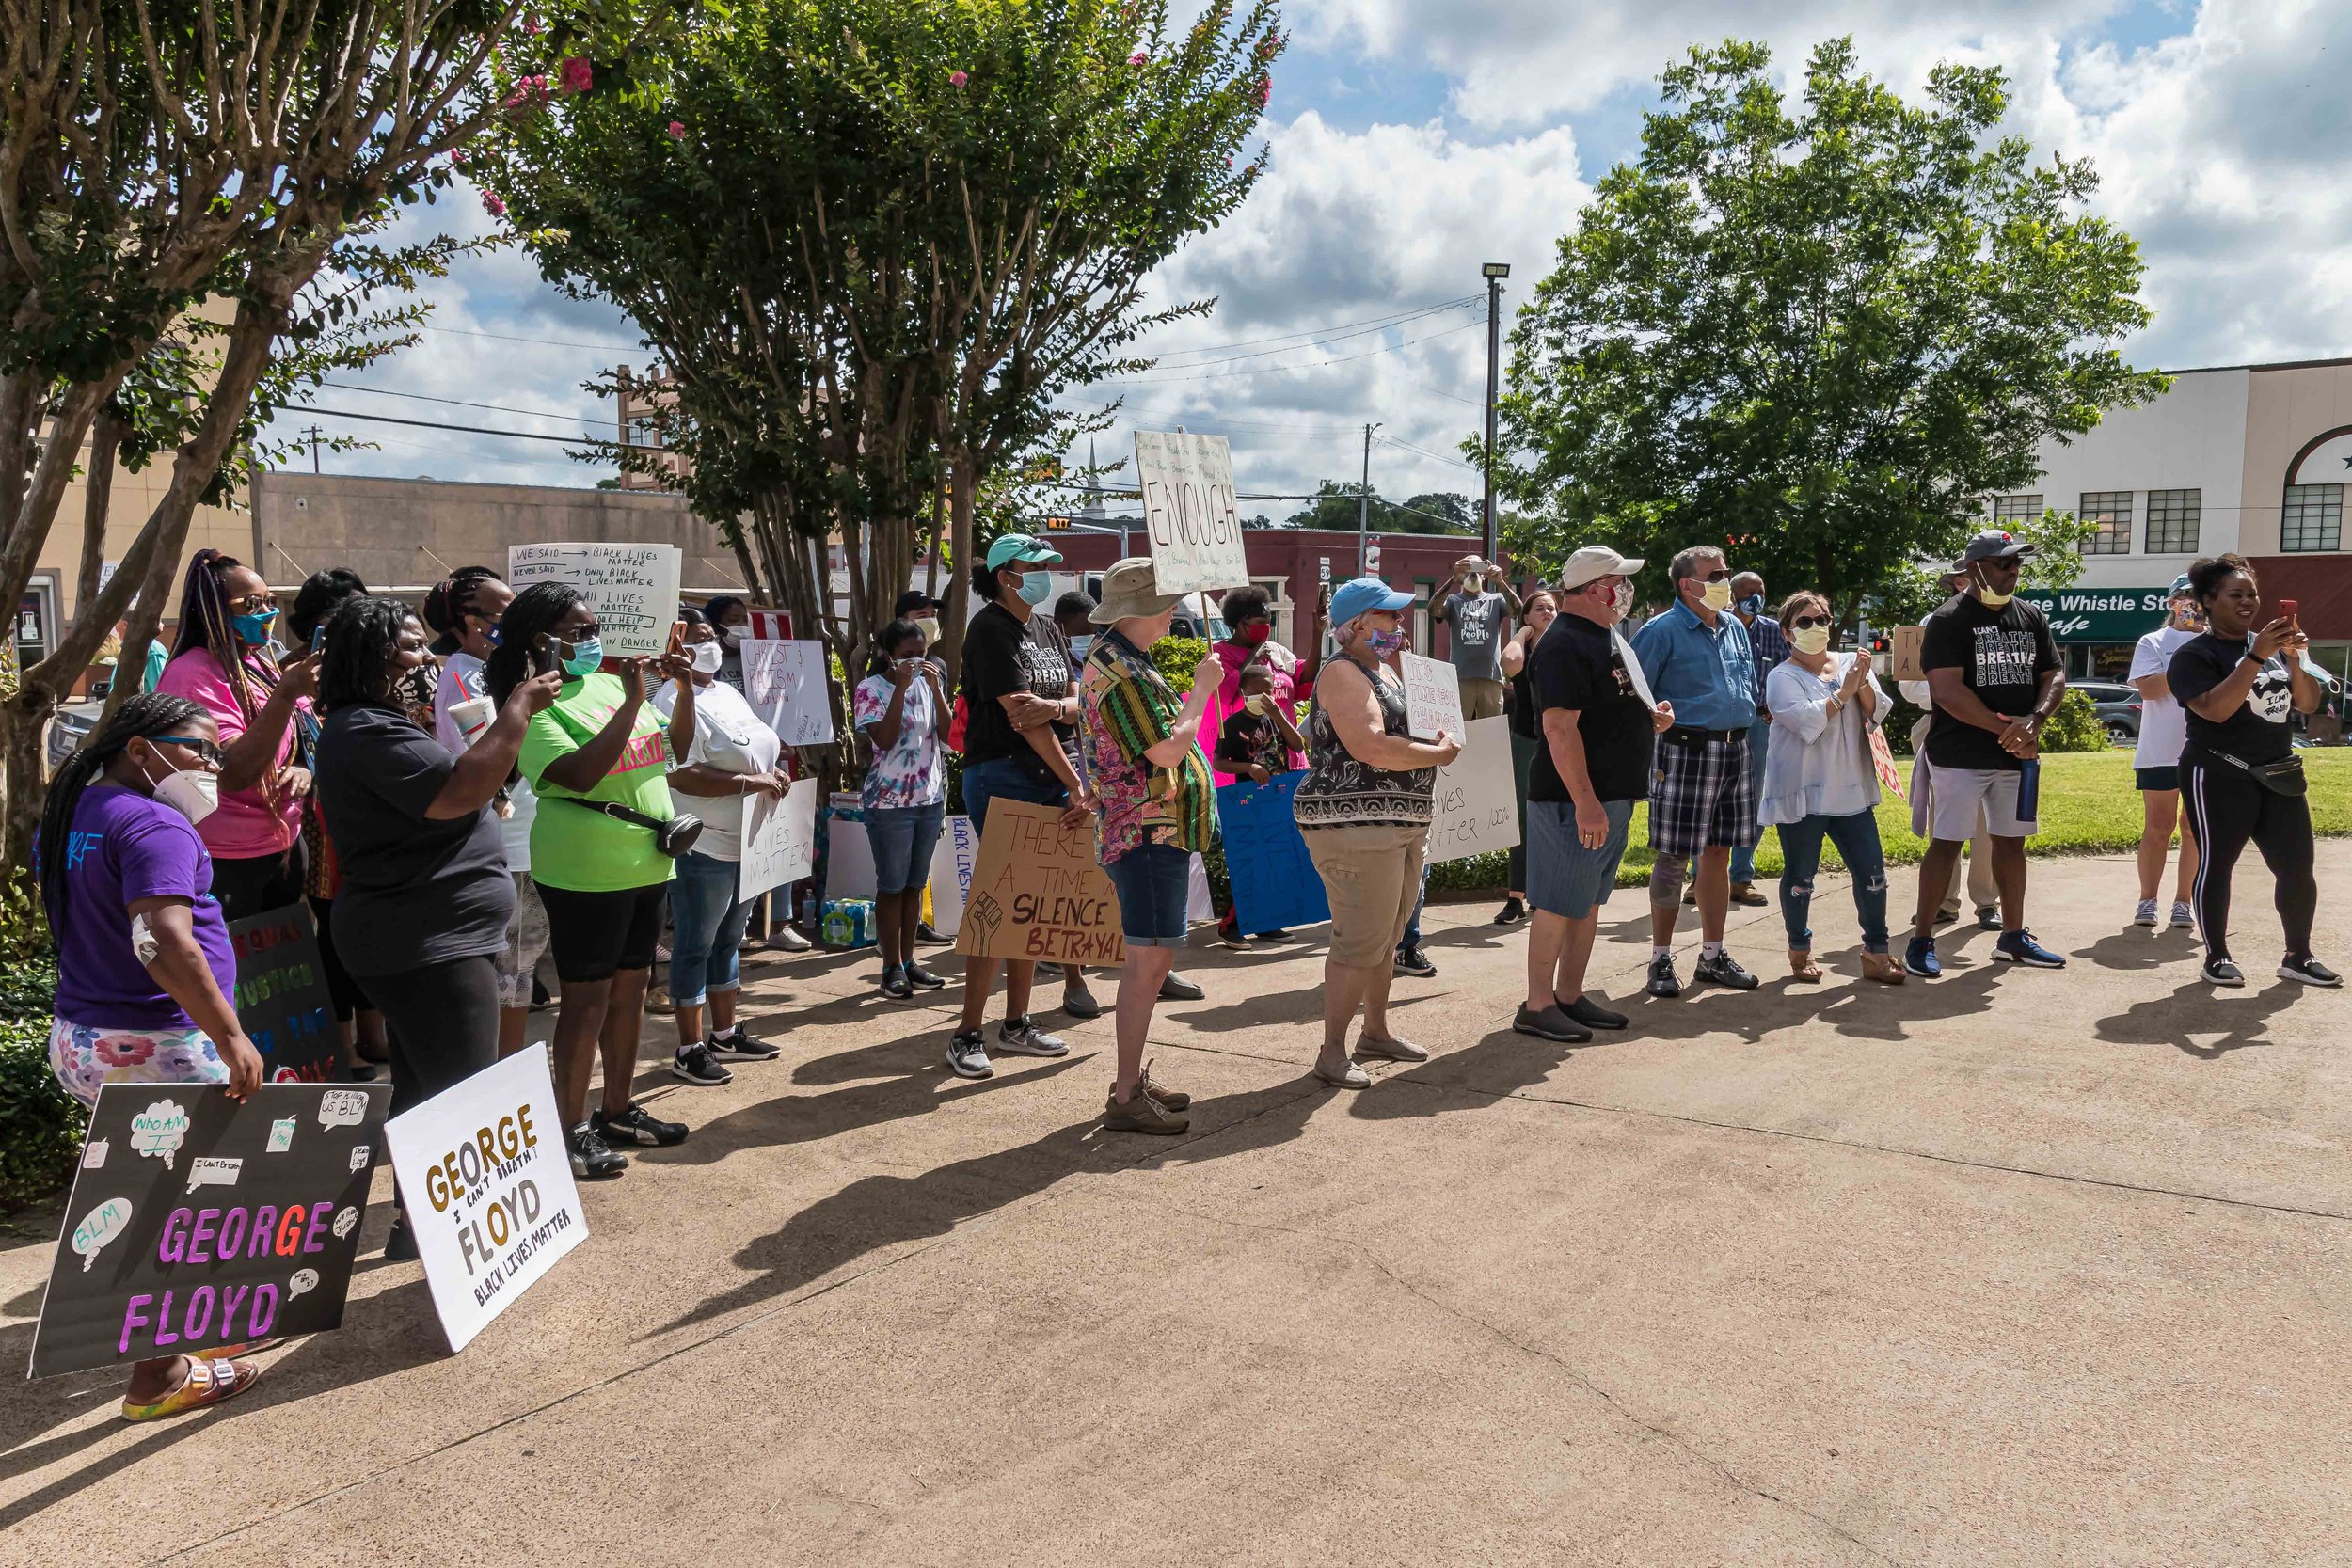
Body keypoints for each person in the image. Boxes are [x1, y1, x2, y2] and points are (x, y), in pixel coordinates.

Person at [38, 693, 266, 1419]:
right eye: (202, 748)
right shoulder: (155, 823)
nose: (214, 765)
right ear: (142, 749)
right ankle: (158, 1373)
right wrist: (229, 1034)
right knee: (181, 1205)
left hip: (86, 1035)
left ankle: (184, 1328)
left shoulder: (83, 807)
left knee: (143, 1191)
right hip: (154, 1049)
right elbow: (164, 941)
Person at [313, 599, 563, 1254]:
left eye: (423, 646)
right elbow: (457, 790)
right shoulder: (366, 729)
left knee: (427, 1086)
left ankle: (413, 1224)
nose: (422, 658)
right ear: (367, 656)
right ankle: (452, 1241)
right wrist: (518, 709)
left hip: (424, 935)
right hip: (427, 942)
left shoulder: (372, 723)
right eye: (407, 647)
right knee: (465, 1097)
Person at [488, 583, 699, 1179]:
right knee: (586, 999)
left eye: (593, 628)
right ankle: (569, 1126)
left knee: (632, 988)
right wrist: (634, 703)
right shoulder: (532, 702)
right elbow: (579, 774)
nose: (594, 641)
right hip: (584, 867)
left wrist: (680, 688)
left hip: (649, 859)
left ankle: (618, 1110)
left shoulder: (610, 683)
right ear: (542, 640)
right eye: (580, 633)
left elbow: (672, 750)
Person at [1294, 577, 1460, 1087]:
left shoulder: (1381, 672)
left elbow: (1316, 735)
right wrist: (1437, 754)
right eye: (1388, 615)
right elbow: (1370, 745)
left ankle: (1376, 1032)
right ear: (1359, 624)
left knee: (1385, 938)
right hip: (1357, 826)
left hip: (1396, 822)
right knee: (1360, 941)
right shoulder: (1343, 672)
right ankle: (1332, 1051)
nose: (1399, 623)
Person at [1079, 559, 1223, 1132]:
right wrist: (1200, 693)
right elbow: (1164, 750)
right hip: (1145, 830)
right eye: (1166, 606)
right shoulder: (1125, 671)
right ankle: (1124, 1094)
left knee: (1151, 960)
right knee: (1147, 963)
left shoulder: (1120, 660)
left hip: (1146, 828)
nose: (1173, 615)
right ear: (1140, 610)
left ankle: (1130, 1080)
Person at [947, 533, 1091, 1080]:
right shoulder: (989, 630)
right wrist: (1075, 778)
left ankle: (1017, 1022)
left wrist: (1056, 706)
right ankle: (967, 1032)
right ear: (1007, 575)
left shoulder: (1047, 626)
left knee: (1036, 904)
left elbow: (1078, 703)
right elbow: (1021, 721)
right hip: (1007, 775)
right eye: (1037, 566)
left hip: (1055, 777)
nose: (1047, 575)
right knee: (1000, 903)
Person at [1514, 550, 1666, 1042]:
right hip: (1572, 802)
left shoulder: (1605, 637)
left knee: (1585, 903)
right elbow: (1558, 729)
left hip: (1607, 798)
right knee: (1558, 904)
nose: (1626, 590)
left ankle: (1570, 995)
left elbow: (1610, 705)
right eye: (1620, 581)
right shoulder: (1564, 644)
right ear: (1597, 588)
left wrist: (1648, 717)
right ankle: (1538, 1005)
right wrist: (1585, 801)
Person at [1903, 530, 2068, 977]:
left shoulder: (2031, 616)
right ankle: (1921, 940)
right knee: (1948, 842)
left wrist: (2033, 723)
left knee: (2011, 845)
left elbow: (2053, 676)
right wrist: (2007, 730)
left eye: (2016, 563)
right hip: (1959, 754)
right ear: (1975, 568)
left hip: (2017, 755)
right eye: (2003, 563)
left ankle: (2013, 937)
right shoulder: (1948, 619)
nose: (2013, 570)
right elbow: (1946, 690)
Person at [2169, 555, 2336, 988]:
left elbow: (2308, 704)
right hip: (2218, 773)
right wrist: (2257, 655)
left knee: (2298, 868)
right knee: (2218, 864)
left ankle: (2298, 955)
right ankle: (2217, 956)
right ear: (2208, 601)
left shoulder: (2272, 652)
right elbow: (2216, 710)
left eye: (2252, 594)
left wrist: (2295, 658)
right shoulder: (2194, 655)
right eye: (2236, 595)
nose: (2248, 602)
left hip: (2278, 773)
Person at [423, 567, 552, 1057]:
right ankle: (504, 1074)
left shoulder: (501, 668)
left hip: (527, 836)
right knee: (511, 968)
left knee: (522, 962)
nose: (511, 621)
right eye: (501, 613)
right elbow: (482, 756)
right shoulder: (463, 672)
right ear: (468, 620)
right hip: (508, 840)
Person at [656, 609, 790, 1062]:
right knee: (696, 943)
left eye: (710, 635)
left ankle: (725, 1033)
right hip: (705, 843)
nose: (709, 644)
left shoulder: (729, 693)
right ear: (675, 648)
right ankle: (690, 1047)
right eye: (696, 638)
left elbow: (754, 749)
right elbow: (679, 776)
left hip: (748, 840)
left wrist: (772, 774)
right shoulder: (667, 701)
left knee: (730, 940)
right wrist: (752, 783)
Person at [154, 550, 319, 921]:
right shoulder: (192, 675)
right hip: (228, 857)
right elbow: (232, 771)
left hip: (283, 843)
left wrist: (304, 771)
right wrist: (286, 694)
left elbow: (301, 737)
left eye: (269, 602)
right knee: (235, 973)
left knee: (281, 975)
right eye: (251, 604)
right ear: (213, 611)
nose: (266, 613)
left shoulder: (259, 663)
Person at [1629, 546, 1761, 996]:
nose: (1726, 580)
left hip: (1734, 752)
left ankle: (1712, 954)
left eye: (1725, 572)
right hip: (1683, 752)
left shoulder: (1734, 629)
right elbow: (1634, 699)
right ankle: (1660, 959)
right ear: (1687, 584)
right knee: (1672, 857)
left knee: (1718, 854)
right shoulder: (1660, 631)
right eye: (1716, 574)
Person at [1758, 593, 1903, 984]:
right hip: (1803, 791)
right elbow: (1805, 722)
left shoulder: (1850, 664)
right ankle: (1799, 950)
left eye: (1821, 619)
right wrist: (1844, 691)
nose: (1815, 627)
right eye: (1804, 622)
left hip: (1851, 788)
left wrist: (1861, 683)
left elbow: (1877, 712)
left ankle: (1876, 952)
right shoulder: (1782, 676)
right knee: (1801, 877)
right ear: (1788, 633)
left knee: (1874, 876)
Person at [281, 571, 387, 1081]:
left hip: (363, 817)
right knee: (335, 935)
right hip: (319, 829)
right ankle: (340, 1047)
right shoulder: (292, 675)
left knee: (368, 928)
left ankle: (373, 1034)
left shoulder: (364, 668)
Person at [1899, 566, 2001, 929]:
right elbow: (1911, 688)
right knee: (1943, 819)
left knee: (1988, 818)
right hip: (1939, 725)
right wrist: (1957, 694)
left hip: (1990, 727)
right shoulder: (1932, 624)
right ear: (1958, 583)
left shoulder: (2004, 622)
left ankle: (1987, 902)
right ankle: (1943, 900)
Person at [855, 618, 951, 999]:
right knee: (891, 886)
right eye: (907, 656)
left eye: (922, 655)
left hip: (928, 798)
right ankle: (890, 966)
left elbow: (949, 735)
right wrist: (900, 689)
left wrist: (936, 690)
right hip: (889, 802)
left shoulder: (930, 685)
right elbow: (885, 737)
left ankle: (910, 961)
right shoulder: (870, 689)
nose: (915, 662)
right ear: (888, 655)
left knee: (915, 885)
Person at [1210, 657, 1309, 947]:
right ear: (1243, 693)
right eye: (1257, 691)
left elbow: (1298, 745)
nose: (1263, 697)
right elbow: (1219, 762)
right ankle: (1232, 926)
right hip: (1249, 800)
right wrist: (1249, 768)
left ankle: (1269, 923)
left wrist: (1279, 715)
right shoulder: (1232, 724)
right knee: (1252, 863)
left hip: (1277, 798)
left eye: (1268, 690)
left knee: (1277, 862)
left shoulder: (1274, 719)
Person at [2126, 578, 2202, 930]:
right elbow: (2149, 688)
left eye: (2198, 598)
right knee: (2159, 827)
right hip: (2160, 751)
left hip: (2206, 749)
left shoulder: (2219, 642)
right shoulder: (2153, 642)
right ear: (2171, 603)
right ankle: (2147, 899)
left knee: (2194, 829)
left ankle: (2184, 902)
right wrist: (2190, 661)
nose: (2191, 605)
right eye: (2184, 598)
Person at [1206, 582, 1327, 783]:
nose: (1266, 628)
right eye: (1260, 622)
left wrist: (1318, 633)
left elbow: (1305, 680)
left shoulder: (1276, 651)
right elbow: (1226, 693)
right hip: (1248, 773)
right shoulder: (1220, 654)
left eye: (1269, 622)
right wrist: (1252, 658)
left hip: (1289, 764)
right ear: (1241, 622)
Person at [1495, 586, 1559, 926]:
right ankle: (1515, 898)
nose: (1548, 613)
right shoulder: (1523, 648)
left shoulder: (1564, 648)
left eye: (1552, 609)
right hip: (1526, 739)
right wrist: (1522, 632)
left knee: (1551, 818)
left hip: (1560, 742)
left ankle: (1542, 895)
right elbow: (1510, 663)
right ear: (1527, 616)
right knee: (1521, 817)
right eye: (1540, 609)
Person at [1723, 571, 1782, 907]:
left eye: (1760, 591)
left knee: (1754, 800)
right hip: (1722, 724)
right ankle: (1700, 878)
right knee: (1712, 798)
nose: (1755, 598)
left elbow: (1790, 669)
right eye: (1748, 592)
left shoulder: (1774, 632)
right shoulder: (1718, 628)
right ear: (1732, 595)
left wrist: (1777, 705)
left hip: (1760, 724)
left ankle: (1741, 878)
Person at [1436, 555, 1521, 720]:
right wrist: (1452, 579)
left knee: (1490, 733)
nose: (1473, 574)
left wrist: (1500, 582)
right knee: (1458, 732)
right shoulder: (1453, 601)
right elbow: (1433, 610)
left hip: (1491, 677)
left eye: (1477, 568)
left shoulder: (1496, 600)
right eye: (1468, 569)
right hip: (1460, 678)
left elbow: (1517, 610)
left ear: (1484, 574)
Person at [702, 594, 752, 692]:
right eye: (733, 620)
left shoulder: (755, 659)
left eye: (745, 620)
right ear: (715, 626)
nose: (743, 625)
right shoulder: (705, 664)